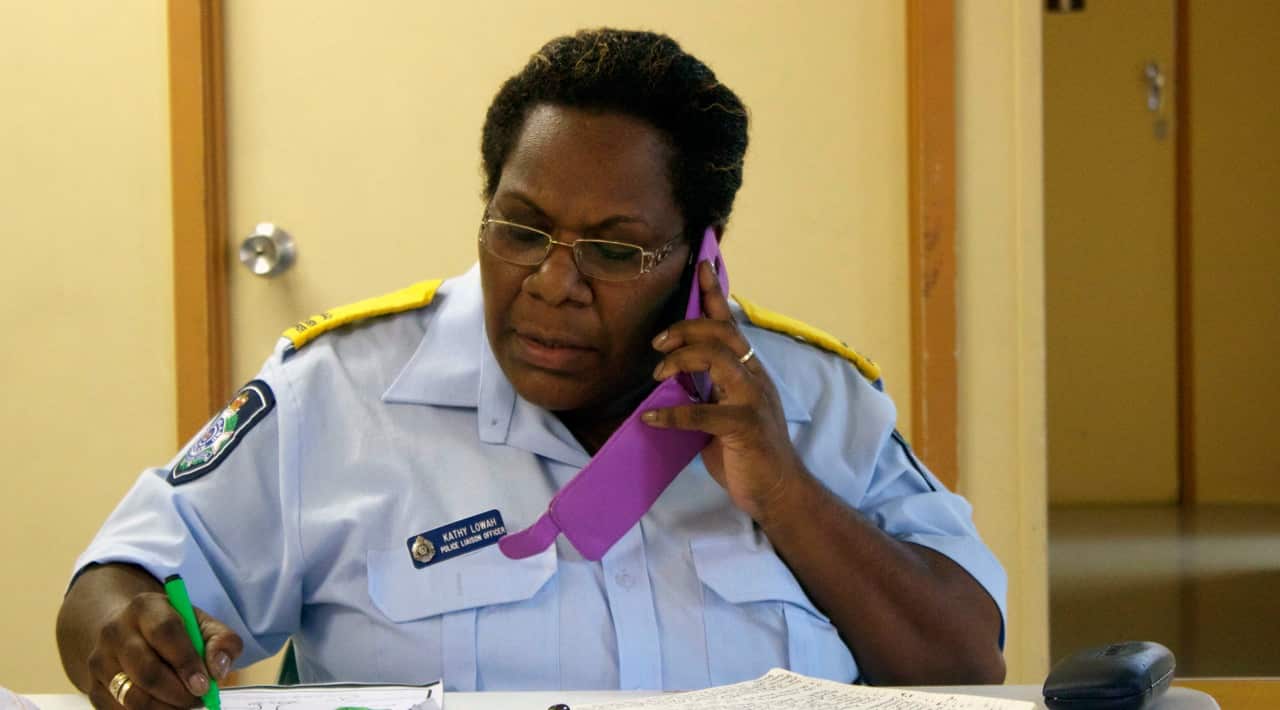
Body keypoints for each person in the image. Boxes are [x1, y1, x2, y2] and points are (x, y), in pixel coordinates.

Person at [57, 28, 1006, 708]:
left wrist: (789, 494)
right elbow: (115, 583)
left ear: (700, 258)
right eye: (521, 229)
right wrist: (128, 635)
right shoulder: (339, 391)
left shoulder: (815, 400)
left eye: (614, 249)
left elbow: (969, 663)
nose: (553, 282)